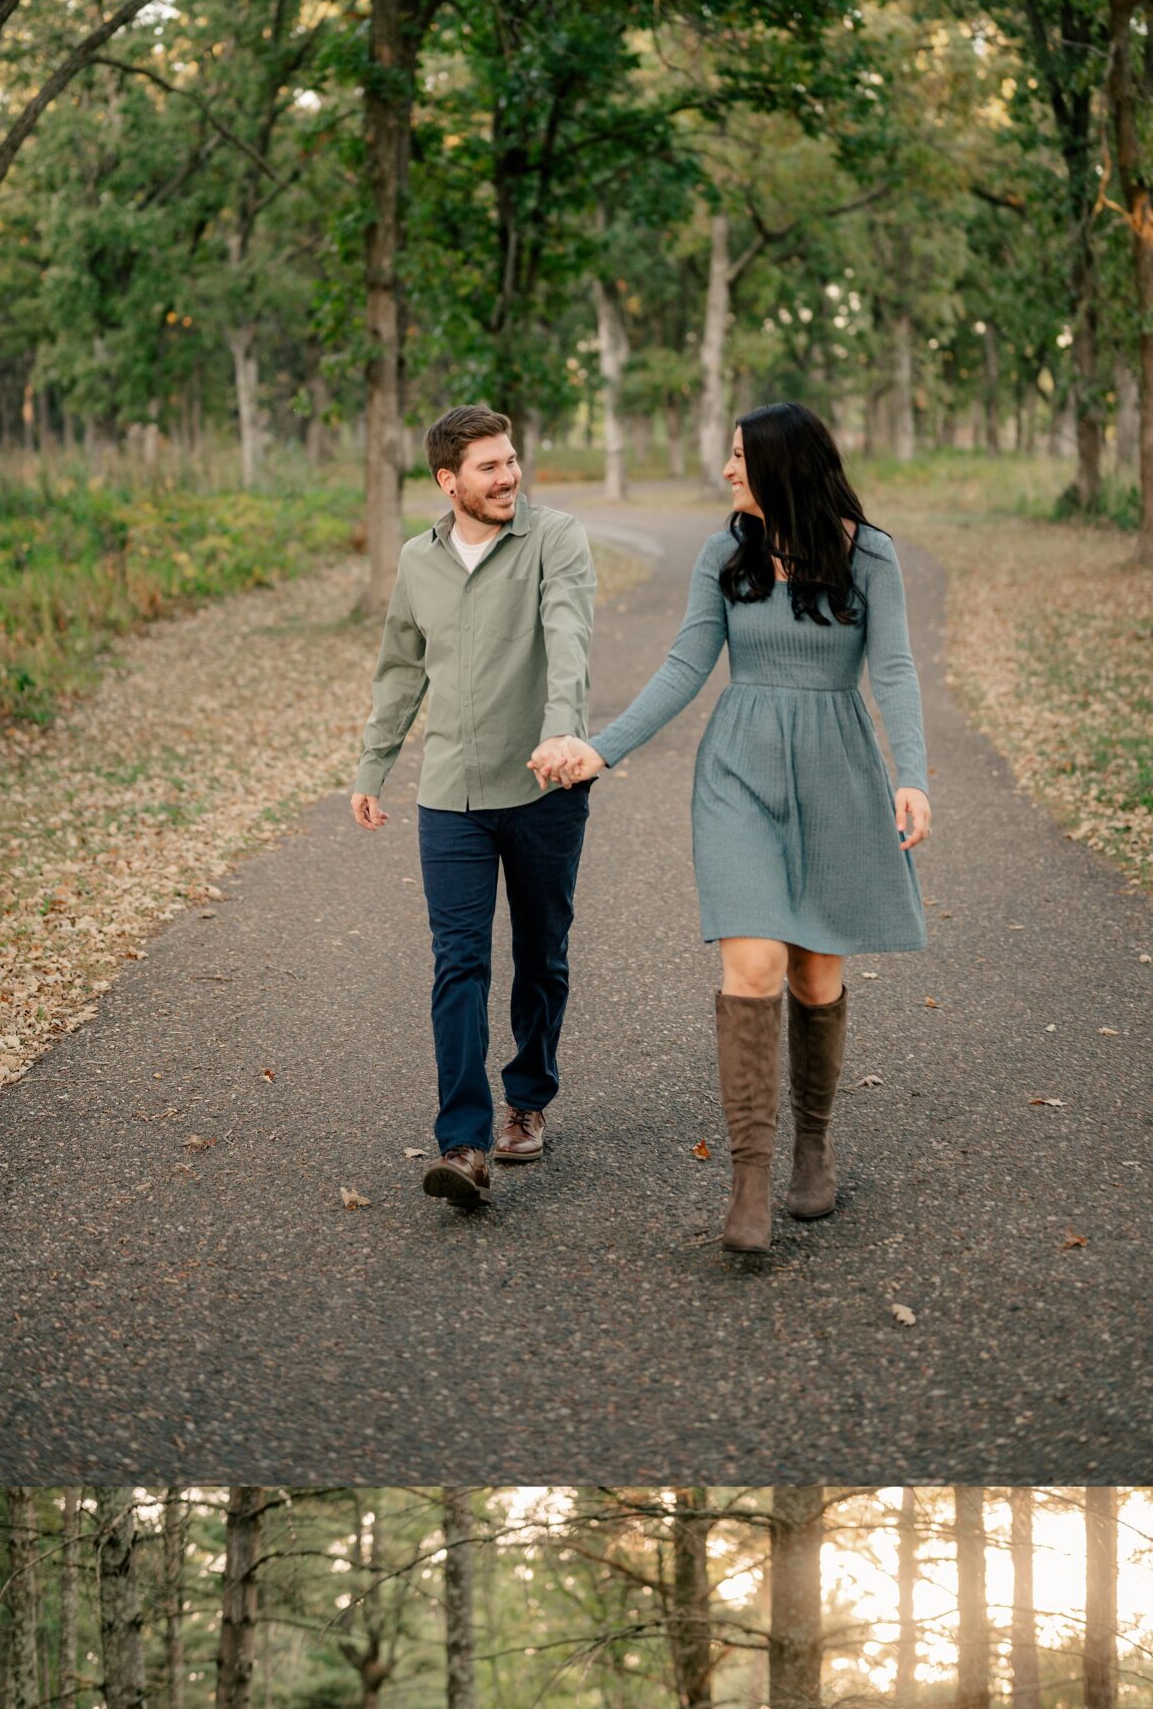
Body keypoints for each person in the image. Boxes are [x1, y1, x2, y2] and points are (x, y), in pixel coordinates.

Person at [531, 402, 932, 1253]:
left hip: (837, 774)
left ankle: (812, 1147)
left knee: (817, 974)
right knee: (751, 962)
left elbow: (892, 669)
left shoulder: (871, 556)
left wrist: (913, 778)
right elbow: (684, 665)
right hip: (738, 772)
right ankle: (749, 1178)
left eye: (740, 457)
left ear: (785, 466)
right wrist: (601, 750)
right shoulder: (724, 554)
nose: (725, 471)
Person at [350, 405, 597, 1207]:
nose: (508, 478)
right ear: (446, 481)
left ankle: (526, 1099)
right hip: (449, 795)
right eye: (488, 467)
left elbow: (567, 639)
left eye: (511, 461)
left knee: (540, 953)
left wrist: (563, 732)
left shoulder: (554, 539)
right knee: (458, 961)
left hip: (542, 787)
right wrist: (371, 767)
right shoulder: (419, 563)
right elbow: (399, 670)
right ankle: (462, 1143)